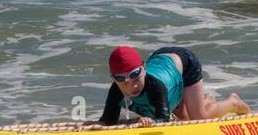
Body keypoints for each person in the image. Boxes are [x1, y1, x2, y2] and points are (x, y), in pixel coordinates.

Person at [93, 46, 248, 126]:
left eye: (135, 76)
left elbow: (162, 120)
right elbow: (108, 120)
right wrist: (91, 125)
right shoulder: (116, 90)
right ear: (113, 79)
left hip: (184, 63)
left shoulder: (156, 86)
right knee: (183, 117)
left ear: (144, 68)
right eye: (122, 80)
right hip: (162, 62)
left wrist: (145, 122)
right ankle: (205, 100)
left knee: (198, 118)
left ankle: (233, 102)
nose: (131, 86)